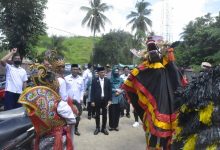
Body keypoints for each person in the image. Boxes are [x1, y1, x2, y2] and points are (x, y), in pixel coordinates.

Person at [122, 37, 186, 149]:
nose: (153, 53)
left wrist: (168, 53)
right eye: (150, 50)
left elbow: (177, 80)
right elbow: (130, 83)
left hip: (169, 109)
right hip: (153, 112)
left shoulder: (167, 66)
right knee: (154, 141)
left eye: (154, 49)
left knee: (168, 141)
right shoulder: (145, 69)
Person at [19, 50, 76, 149]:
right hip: (58, 123)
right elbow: (65, 101)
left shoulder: (39, 102)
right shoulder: (60, 87)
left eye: (63, 67)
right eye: (60, 67)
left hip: (43, 129)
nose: (62, 69)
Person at [91, 66, 112, 135]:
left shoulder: (107, 80)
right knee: (97, 114)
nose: (103, 73)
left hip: (105, 100)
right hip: (97, 100)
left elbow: (110, 91)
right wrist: (92, 101)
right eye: (101, 72)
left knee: (105, 115)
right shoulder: (94, 80)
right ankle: (97, 128)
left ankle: (103, 128)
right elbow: (92, 91)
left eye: (104, 72)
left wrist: (110, 100)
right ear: (98, 73)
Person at [65, 64, 84, 136]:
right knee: (68, 115)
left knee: (77, 115)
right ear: (71, 70)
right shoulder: (66, 78)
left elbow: (82, 90)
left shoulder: (81, 79)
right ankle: (68, 129)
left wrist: (81, 98)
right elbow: (65, 90)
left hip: (78, 100)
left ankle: (76, 129)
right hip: (68, 101)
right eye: (73, 69)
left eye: (76, 69)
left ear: (78, 70)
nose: (75, 71)